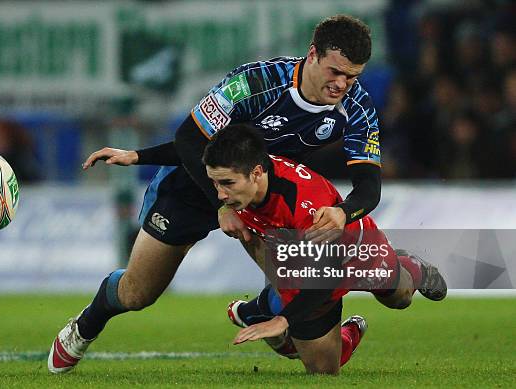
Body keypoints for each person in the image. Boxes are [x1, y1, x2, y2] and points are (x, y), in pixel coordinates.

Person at [49, 15, 384, 373]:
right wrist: (221, 206)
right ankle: (84, 327)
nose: (342, 84)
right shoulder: (255, 83)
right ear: (313, 54)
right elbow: (190, 140)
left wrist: (343, 212)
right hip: (194, 186)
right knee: (137, 293)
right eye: (335, 71)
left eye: (352, 76)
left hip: (264, 199)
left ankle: (291, 324)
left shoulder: (357, 108)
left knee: (307, 321)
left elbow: (368, 186)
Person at [202, 125, 447, 374]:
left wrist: (283, 319)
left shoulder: (306, 207)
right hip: (299, 255)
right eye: (214, 184)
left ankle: (413, 267)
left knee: (400, 297)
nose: (220, 194)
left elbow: (327, 279)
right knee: (323, 371)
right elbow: (185, 150)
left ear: (256, 173)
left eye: (227, 184)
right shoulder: (237, 182)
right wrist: (222, 210)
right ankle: (340, 335)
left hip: (353, 253)